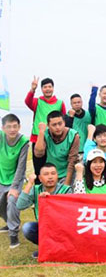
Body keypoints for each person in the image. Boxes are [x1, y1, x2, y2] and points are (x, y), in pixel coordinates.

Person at [16, 164, 72, 259]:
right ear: (40, 178)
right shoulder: (36, 189)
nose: (50, 177)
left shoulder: (66, 190)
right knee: (27, 228)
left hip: (63, 228)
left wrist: (51, 200)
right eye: (46, 174)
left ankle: (59, 248)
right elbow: (20, 205)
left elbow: (69, 212)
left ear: (57, 176)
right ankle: (46, 247)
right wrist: (29, 183)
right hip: (44, 227)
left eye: (53, 173)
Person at [25, 76, 66, 177]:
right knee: (38, 168)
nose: (47, 89)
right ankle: (38, 185)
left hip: (54, 140)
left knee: (53, 167)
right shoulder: (37, 101)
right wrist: (32, 89)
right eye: (45, 87)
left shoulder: (60, 103)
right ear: (42, 89)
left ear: (53, 88)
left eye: (49, 87)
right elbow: (27, 102)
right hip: (37, 138)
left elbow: (64, 121)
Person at [0, 114, 29, 248]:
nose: (12, 129)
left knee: (12, 201)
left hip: (15, 178)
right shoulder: (1, 137)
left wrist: (14, 187)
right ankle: (8, 222)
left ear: (19, 127)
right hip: (1, 177)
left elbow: (21, 167)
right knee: (1, 204)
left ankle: (13, 234)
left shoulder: (23, 141)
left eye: (15, 126)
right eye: (9, 127)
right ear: (3, 128)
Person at [35, 111, 80, 186]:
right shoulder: (45, 134)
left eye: (60, 124)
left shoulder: (73, 135)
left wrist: (66, 184)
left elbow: (72, 161)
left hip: (67, 173)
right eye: (54, 125)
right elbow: (38, 154)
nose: (58, 127)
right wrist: (41, 132)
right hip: (51, 173)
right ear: (48, 126)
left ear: (64, 123)